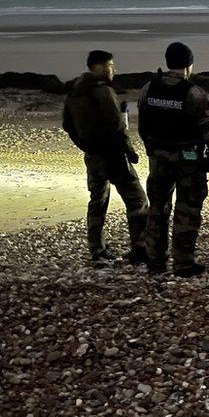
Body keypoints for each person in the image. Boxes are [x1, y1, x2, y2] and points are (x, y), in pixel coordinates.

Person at [138, 42, 209, 277]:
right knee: (187, 209)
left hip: (158, 157)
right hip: (187, 157)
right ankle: (183, 262)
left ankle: (155, 261)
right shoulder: (193, 93)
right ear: (189, 65)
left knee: (157, 208)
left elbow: (142, 126)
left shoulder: (149, 88)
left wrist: (152, 148)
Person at [62, 50, 149, 264]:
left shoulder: (74, 92)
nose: (114, 69)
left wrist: (84, 145)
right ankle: (140, 247)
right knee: (137, 199)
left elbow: (67, 125)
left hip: (92, 155)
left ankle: (96, 250)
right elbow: (117, 126)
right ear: (98, 67)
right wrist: (130, 151)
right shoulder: (102, 91)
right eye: (111, 65)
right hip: (113, 155)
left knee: (97, 201)